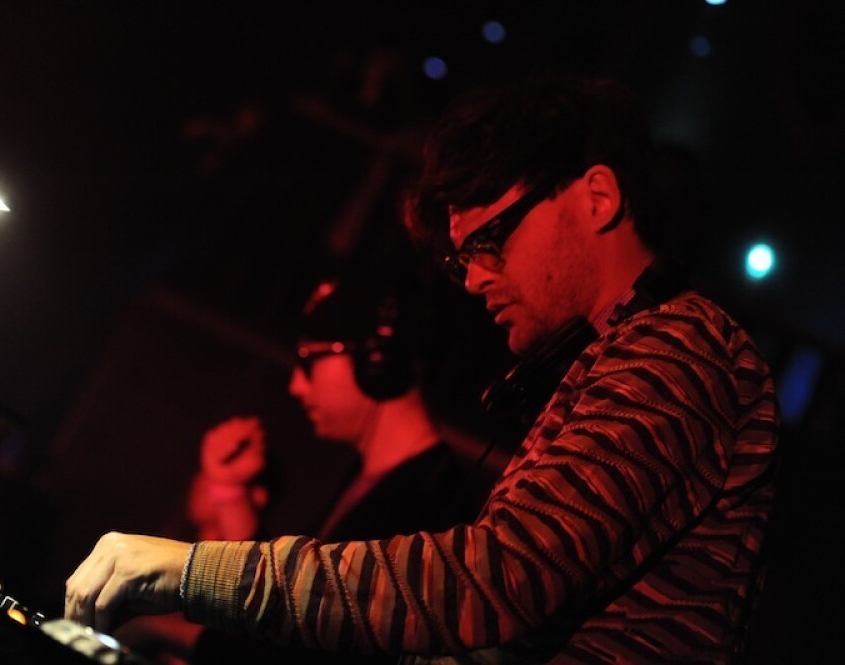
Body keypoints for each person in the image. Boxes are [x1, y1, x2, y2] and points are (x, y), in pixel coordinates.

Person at [64, 73, 780, 664]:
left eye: (490, 242)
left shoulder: (678, 349)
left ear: (597, 198)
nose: (474, 280)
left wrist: (192, 570)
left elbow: (495, 582)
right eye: (462, 260)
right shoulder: (615, 358)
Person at [116, 275, 479, 664]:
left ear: (374, 360)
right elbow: (282, 602)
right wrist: (231, 493)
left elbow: (295, 649)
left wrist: (160, 630)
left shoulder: (427, 502)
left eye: (309, 360)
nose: (296, 385)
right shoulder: (377, 477)